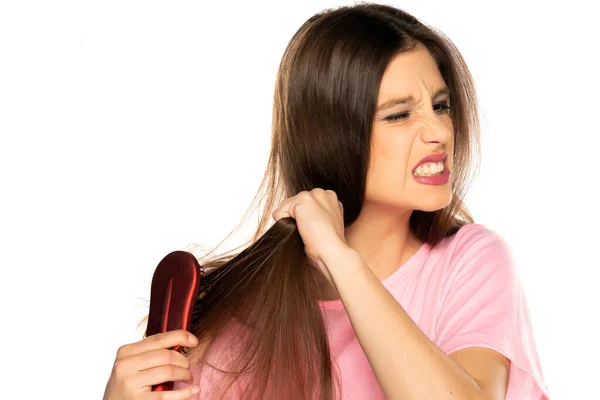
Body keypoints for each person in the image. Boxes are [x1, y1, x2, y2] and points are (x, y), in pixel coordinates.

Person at [102, 3, 551, 399]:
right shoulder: (242, 311)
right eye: (398, 115)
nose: (439, 132)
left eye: (440, 105)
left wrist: (339, 257)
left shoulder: (471, 262)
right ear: (332, 134)